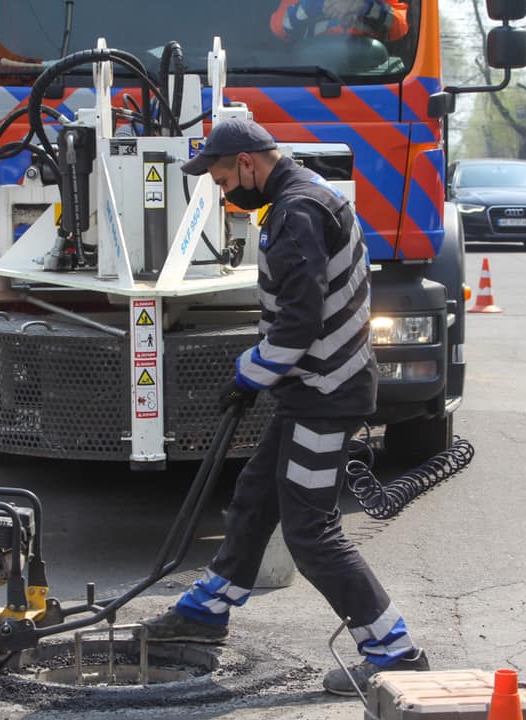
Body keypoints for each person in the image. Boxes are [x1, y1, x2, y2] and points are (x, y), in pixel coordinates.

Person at [136, 118, 429, 695]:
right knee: (255, 494)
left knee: (311, 532)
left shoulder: (295, 213)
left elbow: (299, 320)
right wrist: (263, 373)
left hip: (326, 394)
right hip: (314, 390)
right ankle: (203, 614)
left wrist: (250, 373)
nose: (223, 191)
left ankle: (395, 653)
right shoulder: (307, 198)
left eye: (222, 178)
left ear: (248, 163)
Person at [271, 0, 409, 43]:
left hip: (369, 74)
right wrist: (319, 5)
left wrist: (366, 6)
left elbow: (400, 27)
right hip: (311, 73)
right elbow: (278, 28)